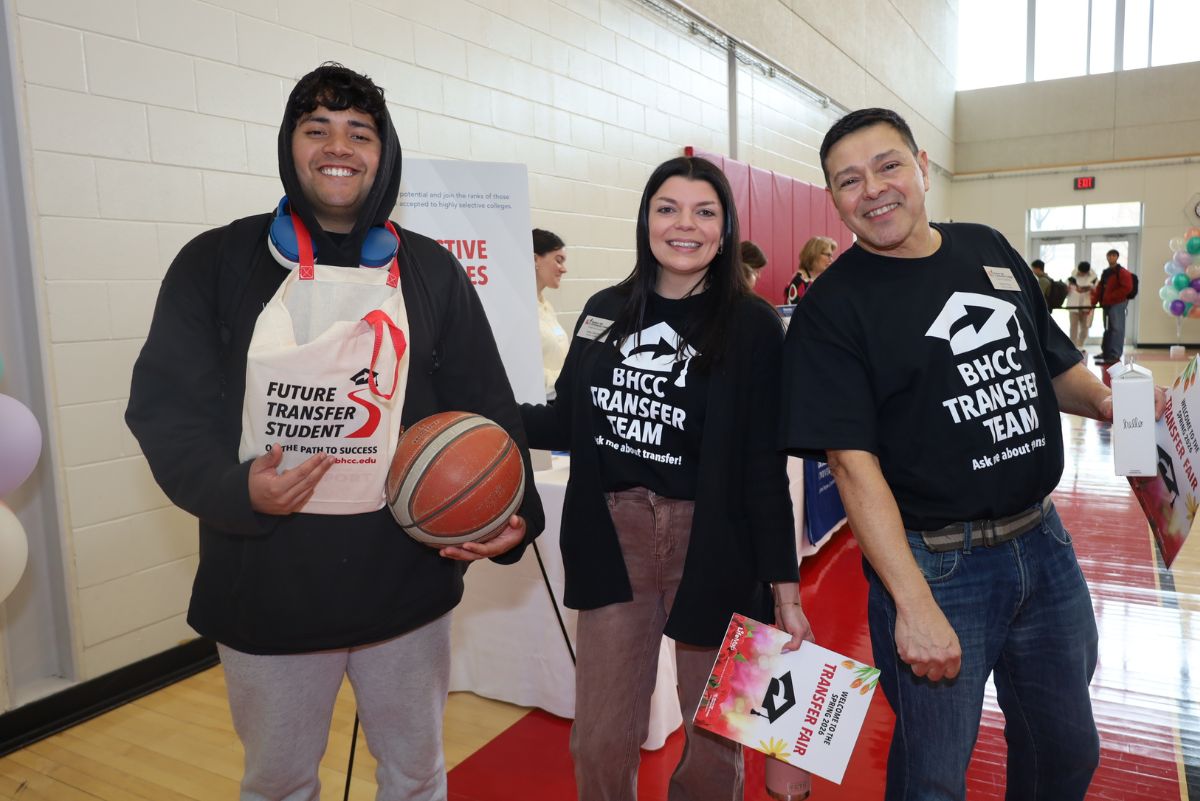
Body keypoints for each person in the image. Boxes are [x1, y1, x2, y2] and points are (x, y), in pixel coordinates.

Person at [125, 63, 544, 801]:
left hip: (403, 584)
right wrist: (236, 489)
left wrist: (514, 515)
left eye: (359, 132)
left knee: (415, 776)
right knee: (280, 783)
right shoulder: (215, 262)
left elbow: (488, 408)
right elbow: (166, 411)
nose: (337, 147)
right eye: (316, 129)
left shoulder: (432, 270)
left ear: (385, 153)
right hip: (267, 585)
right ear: (288, 145)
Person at [780, 107, 1166, 801]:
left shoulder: (986, 248)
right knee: (932, 777)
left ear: (923, 167)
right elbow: (851, 466)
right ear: (834, 198)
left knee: (1065, 749)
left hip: (1043, 545)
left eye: (888, 165)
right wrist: (911, 602)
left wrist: (1108, 403)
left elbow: (1053, 364)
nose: (873, 189)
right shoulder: (832, 308)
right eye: (849, 180)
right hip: (938, 566)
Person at [521, 156, 812, 801]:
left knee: (716, 740)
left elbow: (765, 469)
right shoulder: (604, 310)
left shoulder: (752, 326)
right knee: (599, 738)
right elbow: (567, 420)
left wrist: (786, 592)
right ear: (646, 219)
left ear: (725, 227)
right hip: (613, 534)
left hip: (714, 540)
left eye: (704, 212)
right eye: (668, 209)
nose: (685, 224)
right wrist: (484, 414)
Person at [533, 227, 569, 399]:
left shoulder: (546, 306)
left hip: (558, 398)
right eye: (558, 260)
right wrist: (569, 380)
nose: (564, 269)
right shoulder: (520, 313)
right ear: (535, 259)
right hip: (538, 402)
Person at [1092, 249, 1135, 364]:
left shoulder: (1122, 272)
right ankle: (1106, 352)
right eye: (1109, 255)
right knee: (1107, 329)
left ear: (1117, 257)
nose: (1111, 257)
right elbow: (1100, 288)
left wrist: (1112, 297)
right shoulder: (1106, 272)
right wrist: (1094, 302)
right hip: (1107, 304)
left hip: (1117, 304)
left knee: (1117, 329)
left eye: (1113, 255)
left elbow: (1127, 288)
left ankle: (1115, 354)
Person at [784, 235, 837, 304]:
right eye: (828, 255)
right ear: (814, 254)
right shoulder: (799, 282)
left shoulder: (824, 279)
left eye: (831, 256)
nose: (831, 260)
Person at [1067, 261, 1098, 351]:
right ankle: (1073, 347)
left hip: (1086, 306)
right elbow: (1067, 289)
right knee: (1073, 327)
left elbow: (1096, 289)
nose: (1082, 274)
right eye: (1080, 272)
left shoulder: (1094, 278)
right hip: (1073, 306)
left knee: (1085, 327)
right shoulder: (1072, 277)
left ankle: (1080, 345)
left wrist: (1089, 288)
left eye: (1083, 273)